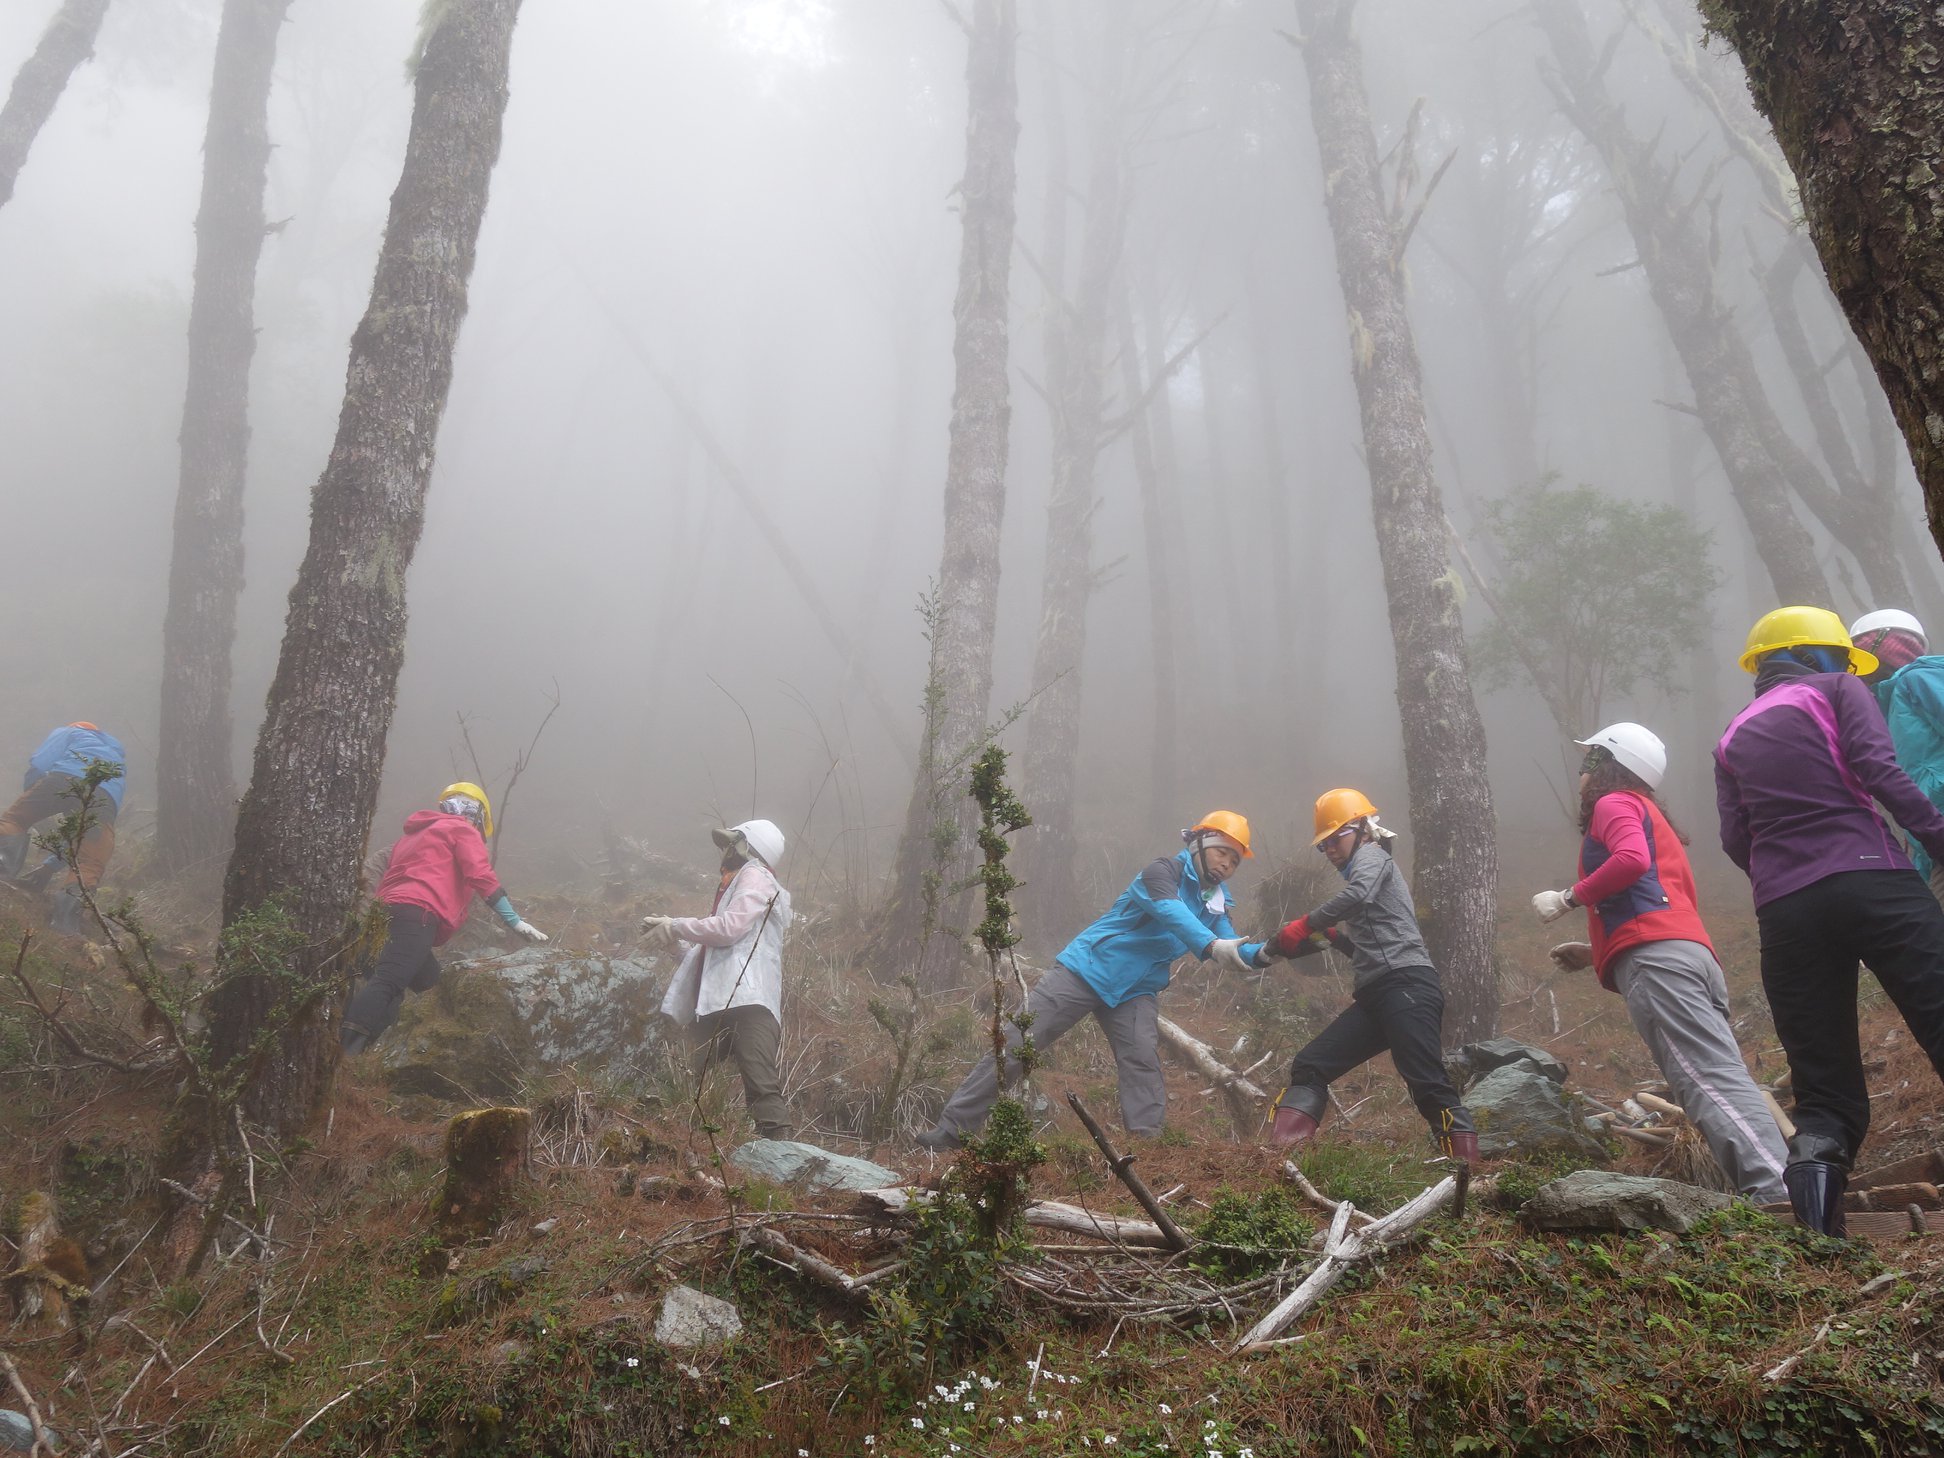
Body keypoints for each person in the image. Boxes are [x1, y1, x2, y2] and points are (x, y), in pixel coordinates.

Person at [1715, 606, 1944, 1235]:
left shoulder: (1731, 734)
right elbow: (1880, 771)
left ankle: (1820, 1241)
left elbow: (1735, 839)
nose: (1849, 667)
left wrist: (1783, 879)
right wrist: (1937, 838)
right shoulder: (1837, 689)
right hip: (1874, 878)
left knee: (1824, 1095)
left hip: (1786, 911)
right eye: (1842, 656)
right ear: (1814, 655)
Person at [1532, 722, 1787, 1202]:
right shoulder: (1647, 812)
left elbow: (1631, 861)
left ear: (1609, 765)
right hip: (1687, 956)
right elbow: (1655, 901)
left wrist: (1568, 899)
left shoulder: (1614, 803)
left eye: (1590, 759)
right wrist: (1596, 953)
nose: (1582, 770)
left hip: (1660, 964)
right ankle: (1784, 1184)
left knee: (1705, 1081)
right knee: (1720, 1076)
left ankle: (1780, 1193)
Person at [915, 811, 1255, 1152]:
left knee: (1142, 1062)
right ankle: (951, 1132)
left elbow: (1236, 948)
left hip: (1135, 989)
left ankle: (1147, 1148)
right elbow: (1171, 912)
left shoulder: (1216, 904)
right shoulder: (1162, 872)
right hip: (1087, 968)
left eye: (1235, 861)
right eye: (1222, 852)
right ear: (1199, 845)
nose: (1226, 864)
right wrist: (1211, 945)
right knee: (1019, 1042)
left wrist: (1271, 951)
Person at [1214, 789, 1476, 1162]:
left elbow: (1358, 895)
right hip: (1378, 996)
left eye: (1336, 839)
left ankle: (1469, 1173)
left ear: (1362, 829)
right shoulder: (1368, 874)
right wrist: (1335, 939)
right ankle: (1282, 1161)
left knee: (1428, 1084)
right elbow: (1371, 945)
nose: (1331, 850)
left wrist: (1306, 924)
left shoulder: (1372, 856)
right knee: (1311, 1065)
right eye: (1324, 845)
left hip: (1406, 986)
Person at [341, 782, 548, 1055]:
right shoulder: (462, 830)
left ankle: (368, 1054)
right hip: (418, 914)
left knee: (429, 982)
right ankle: (342, 1056)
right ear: (478, 816)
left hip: (386, 914)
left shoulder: (414, 836)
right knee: (389, 981)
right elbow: (480, 875)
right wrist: (515, 921)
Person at [647, 819, 796, 1140]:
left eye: (732, 843)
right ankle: (693, 1146)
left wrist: (676, 925)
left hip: (749, 1002)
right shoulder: (738, 884)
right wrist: (674, 944)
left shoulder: (755, 876)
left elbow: (728, 929)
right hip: (726, 1001)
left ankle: (783, 1156)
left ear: (747, 847)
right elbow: (715, 952)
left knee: (752, 1083)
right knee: (694, 1077)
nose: (725, 850)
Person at [1848, 609, 1944, 901]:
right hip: (1931, 840)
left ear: (1887, 648)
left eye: (1862, 652)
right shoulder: (1885, 701)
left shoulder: (1919, 679)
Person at [0, 722, 126, 933]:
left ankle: (3, 874)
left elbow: (40, 764)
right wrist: (49, 868)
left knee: (15, 820)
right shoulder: (117, 758)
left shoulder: (72, 731)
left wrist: (31, 798)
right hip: (104, 799)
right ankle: (65, 926)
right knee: (90, 862)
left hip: (62, 778)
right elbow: (78, 837)